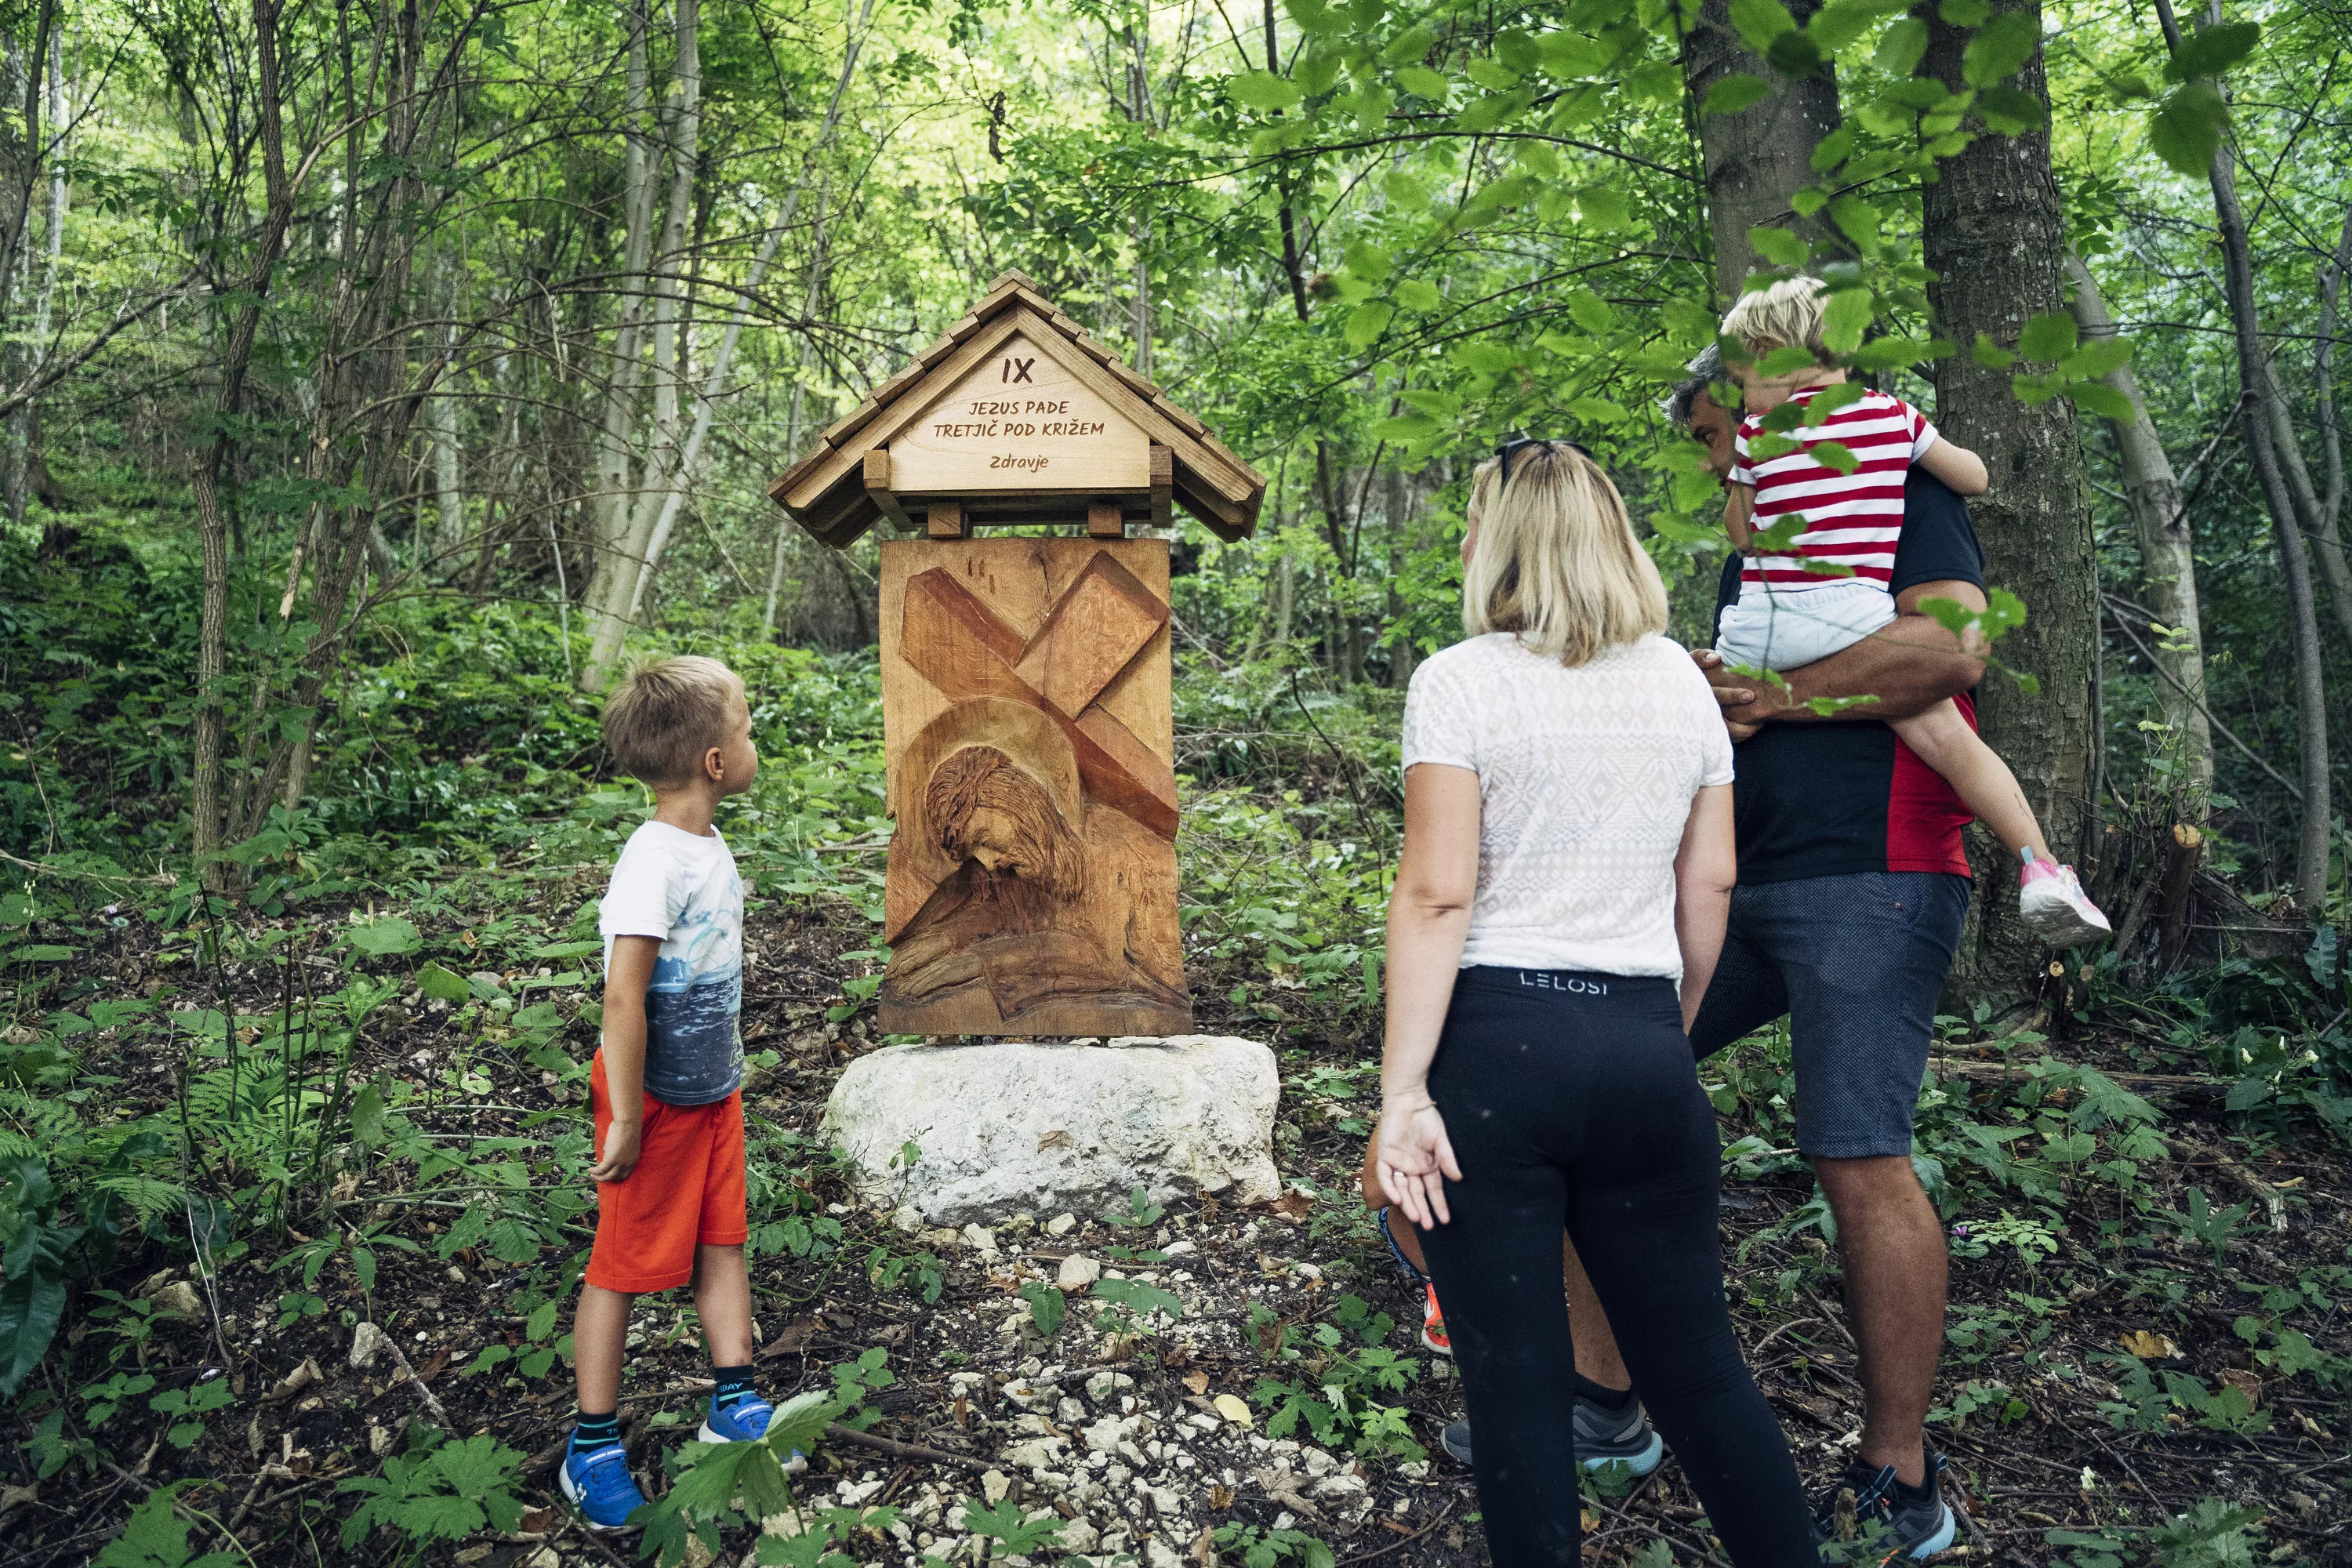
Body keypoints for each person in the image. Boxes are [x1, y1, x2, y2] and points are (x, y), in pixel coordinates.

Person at [1376, 441, 1819, 1566]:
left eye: (1473, 522)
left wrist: (1403, 1093)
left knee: (1516, 1388)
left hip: (1494, 1054)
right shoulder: (1679, 682)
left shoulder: (1459, 680)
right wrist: (1665, 1029)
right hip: (1640, 1044)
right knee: (1703, 1374)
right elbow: (1710, 883)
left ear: (1497, 544)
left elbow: (1437, 893)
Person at [1714, 277, 2108, 947]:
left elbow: (1742, 534)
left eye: (1742, 378)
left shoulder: (1757, 432)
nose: (1742, 396)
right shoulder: (1893, 417)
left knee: (1724, 703)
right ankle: (2041, 866)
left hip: (1762, 629)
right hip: (1854, 618)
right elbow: (1974, 478)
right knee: (1950, 739)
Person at [561, 655, 777, 1531]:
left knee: (723, 1239)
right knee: (621, 1262)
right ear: (715, 762)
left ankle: (734, 1400)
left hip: (712, 1093)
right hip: (650, 1102)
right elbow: (623, 995)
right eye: (749, 726)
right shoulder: (653, 860)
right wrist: (623, 1114)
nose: (756, 740)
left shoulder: (704, 843)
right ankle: (591, 1445)